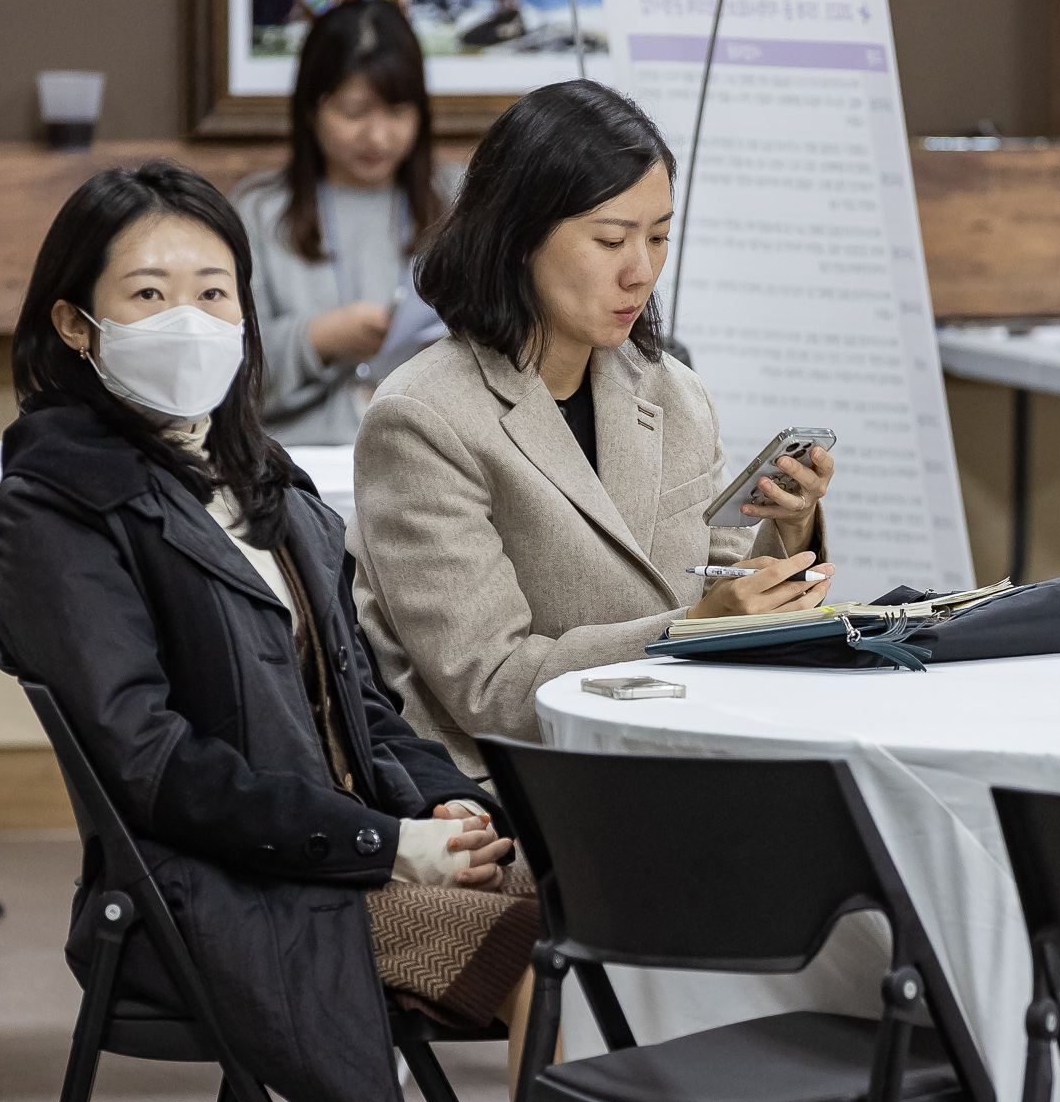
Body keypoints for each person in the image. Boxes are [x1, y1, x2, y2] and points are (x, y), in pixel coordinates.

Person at [0, 161, 581, 1102]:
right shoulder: (56, 503)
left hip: (347, 857)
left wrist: (452, 812)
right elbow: (153, 765)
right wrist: (384, 847)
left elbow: (367, 705)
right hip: (217, 897)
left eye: (215, 291)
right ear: (74, 321)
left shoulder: (266, 482)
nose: (191, 320)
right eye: (148, 294)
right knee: (554, 954)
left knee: (636, 904)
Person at [350, 79, 836, 756]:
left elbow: (722, 586)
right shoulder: (424, 418)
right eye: (611, 240)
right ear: (518, 236)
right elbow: (492, 686)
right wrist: (692, 629)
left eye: (660, 237)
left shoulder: (675, 394)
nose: (641, 271)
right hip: (534, 783)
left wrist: (788, 530)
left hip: (693, 754)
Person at [233, 0, 457, 446]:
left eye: (397, 113)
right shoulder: (257, 212)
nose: (377, 137)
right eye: (354, 112)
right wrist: (318, 339)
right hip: (294, 469)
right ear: (311, 110)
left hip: (434, 462)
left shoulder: (462, 201)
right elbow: (224, 373)